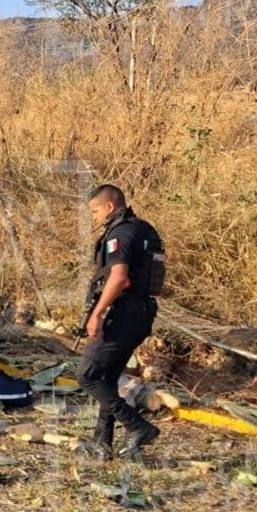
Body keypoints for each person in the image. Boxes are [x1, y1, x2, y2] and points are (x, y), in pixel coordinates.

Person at [79, 184, 164, 460]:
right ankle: (101, 443)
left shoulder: (122, 232)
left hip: (122, 314)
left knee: (88, 375)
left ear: (109, 206)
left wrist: (97, 313)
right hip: (140, 313)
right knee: (107, 378)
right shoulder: (145, 231)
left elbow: (118, 276)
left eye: (95, 211)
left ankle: (138, 426)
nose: (94, 218)